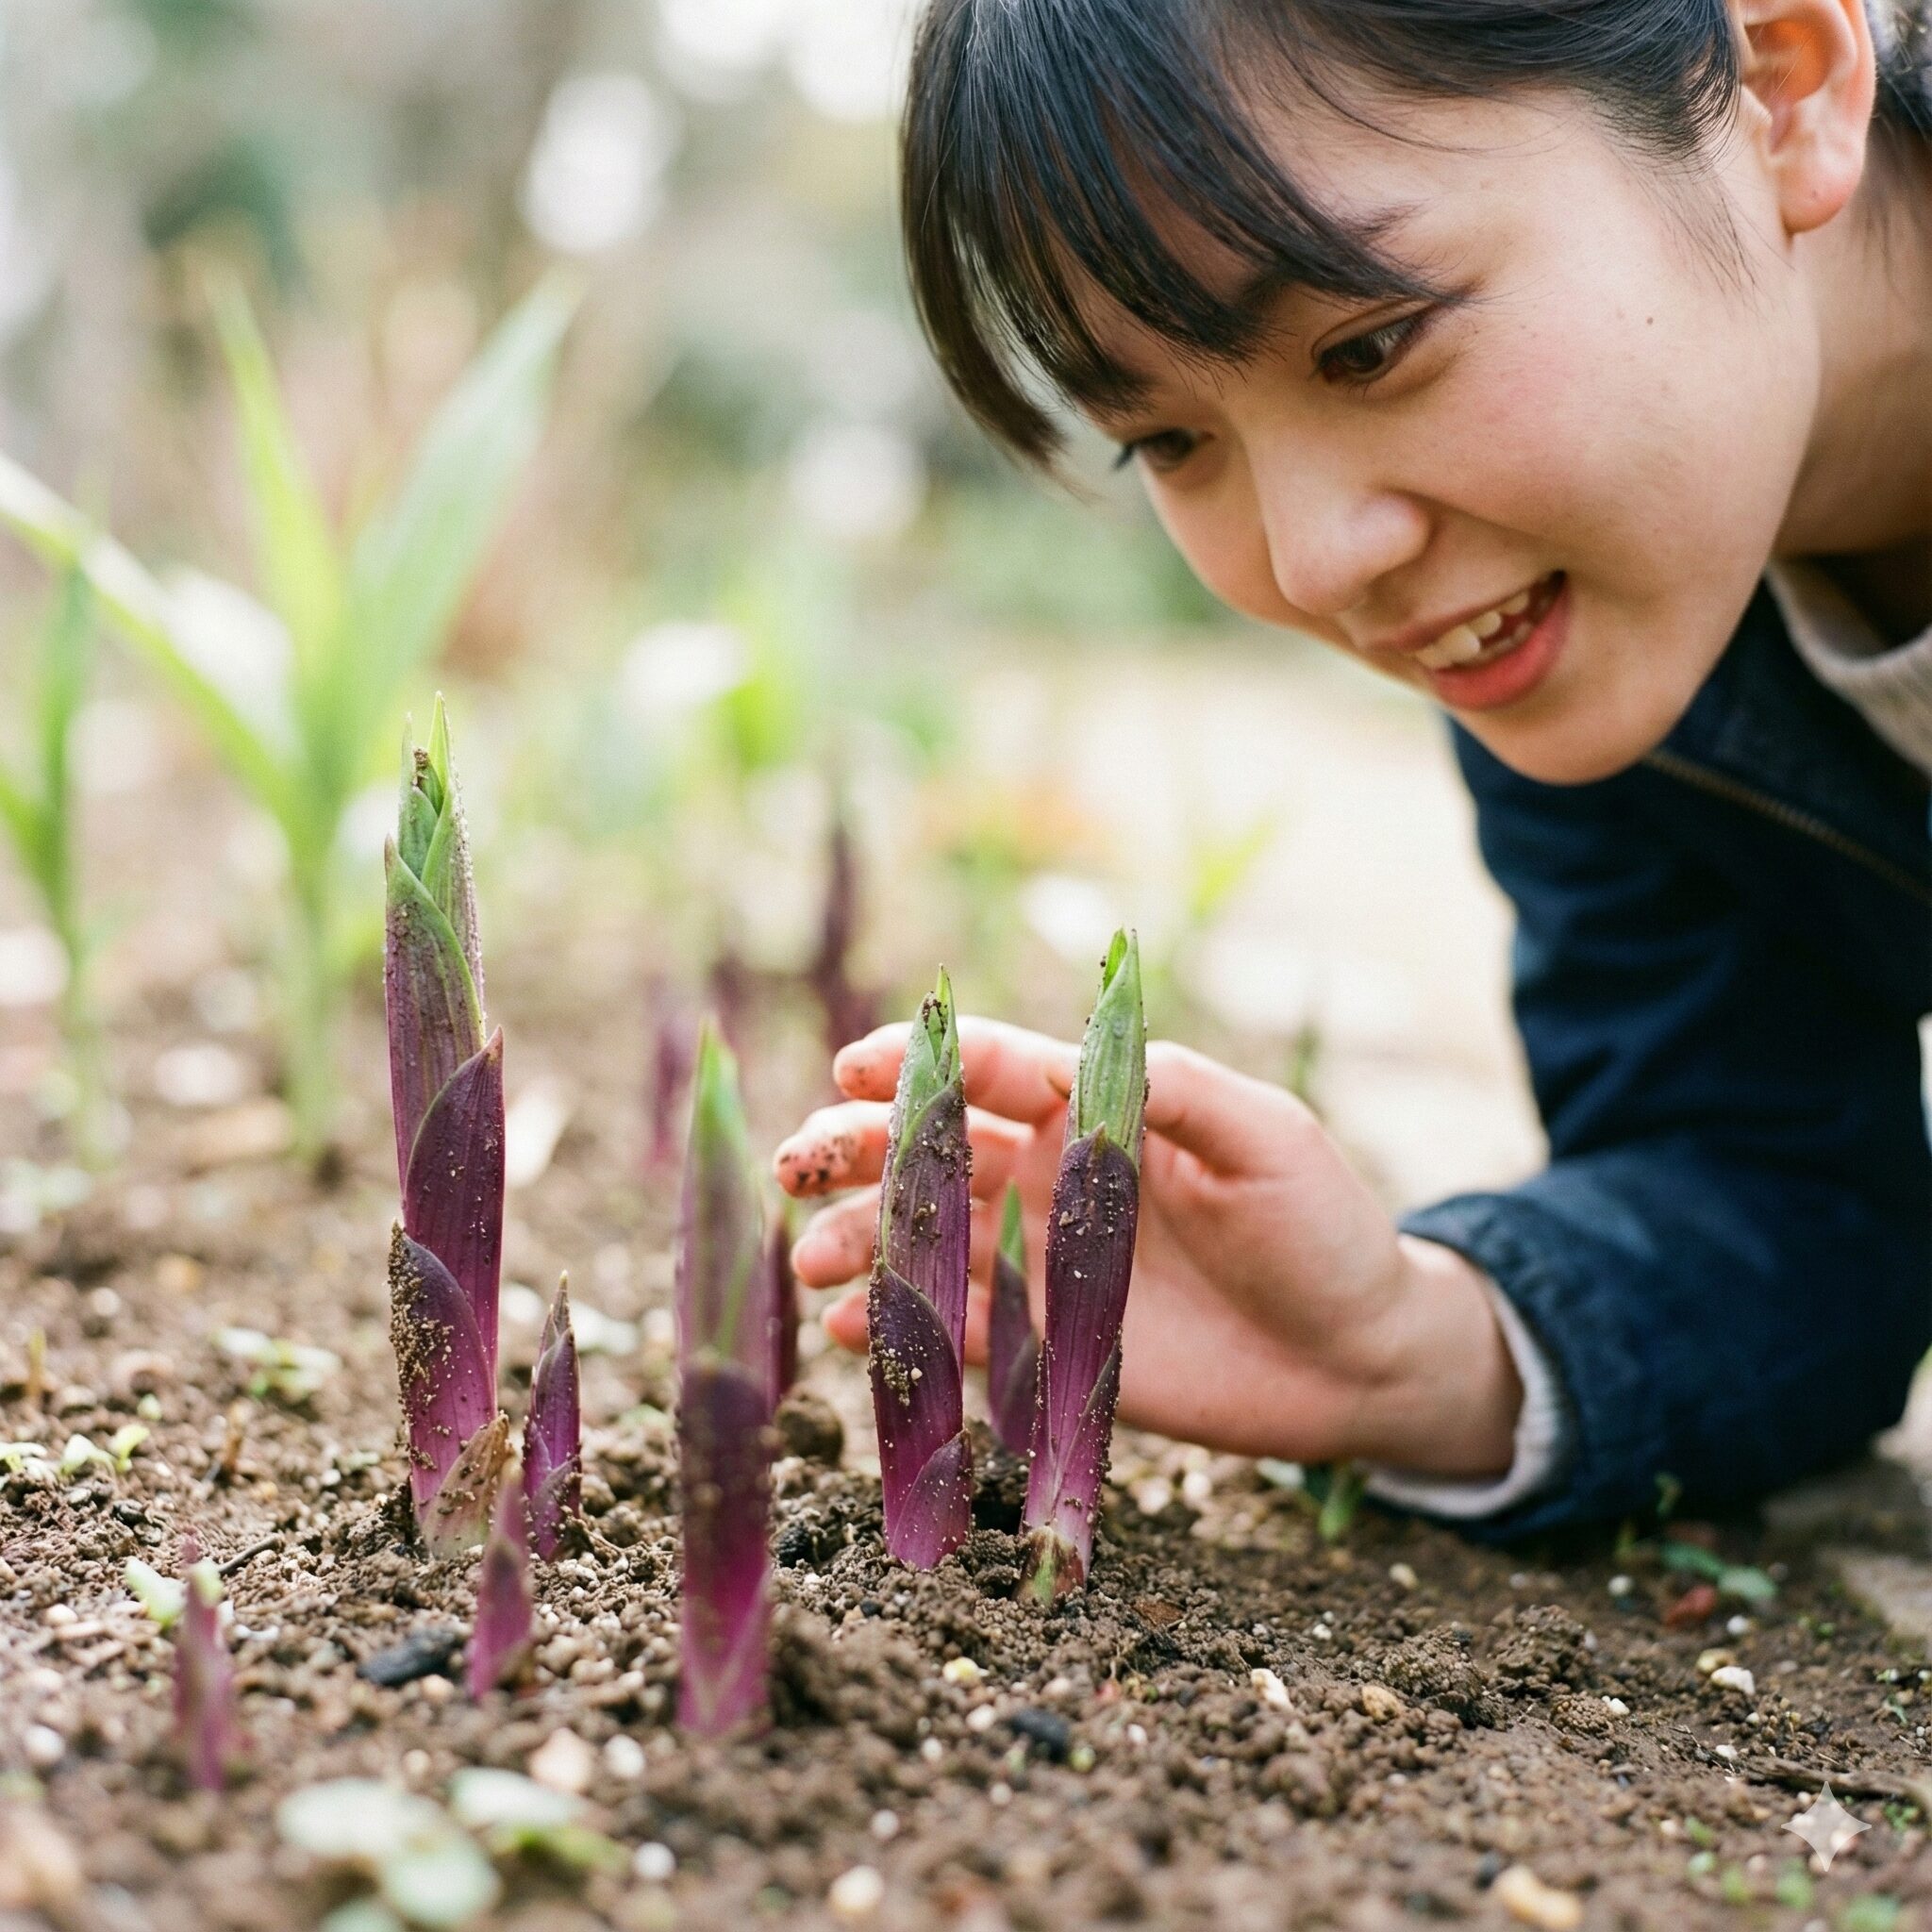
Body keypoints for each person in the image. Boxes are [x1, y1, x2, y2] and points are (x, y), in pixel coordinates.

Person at [772, 0, 1932, 1541]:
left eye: (1370, 344)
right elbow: (1777, 1190)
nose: (1318, 560)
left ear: (1782, 83)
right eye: (1170, 441)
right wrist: (1408, 1346)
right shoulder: (1622, 617)